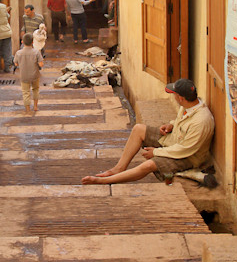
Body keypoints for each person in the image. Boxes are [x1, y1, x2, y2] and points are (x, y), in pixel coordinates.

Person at [81, 79, 214, 185]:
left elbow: (183, 150)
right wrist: (171, 125)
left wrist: (155, 152)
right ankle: (118, 168)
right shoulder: (189, 105)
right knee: (138, 129)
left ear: (180, 98)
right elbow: (181, 121)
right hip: (173, 141)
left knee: (149, 165)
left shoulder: (201, 121)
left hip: (187, 157)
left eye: (174, 95)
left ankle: (103, 181)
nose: (173, 97)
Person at [14, 33, 44, 113]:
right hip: (35, 75)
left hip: (24, 76)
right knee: (35, 89)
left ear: (22, 42)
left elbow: (16, 64)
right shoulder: (36, 52)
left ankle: (27, 109)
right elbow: (41, 64)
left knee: (25, 92)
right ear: (33, 42)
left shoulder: (18, 53)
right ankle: (35, 106)